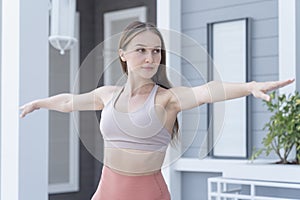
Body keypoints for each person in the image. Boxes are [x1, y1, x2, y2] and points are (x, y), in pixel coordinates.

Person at [20, 21, 294, 200]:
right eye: (141, 50)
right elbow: (69, 102)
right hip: (106, 193)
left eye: (156, 51)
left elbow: (206, 91)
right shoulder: (108, 96)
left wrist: (249, 87)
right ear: (123, 54)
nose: (150, 58)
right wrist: (38, 103)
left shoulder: (166, 100)